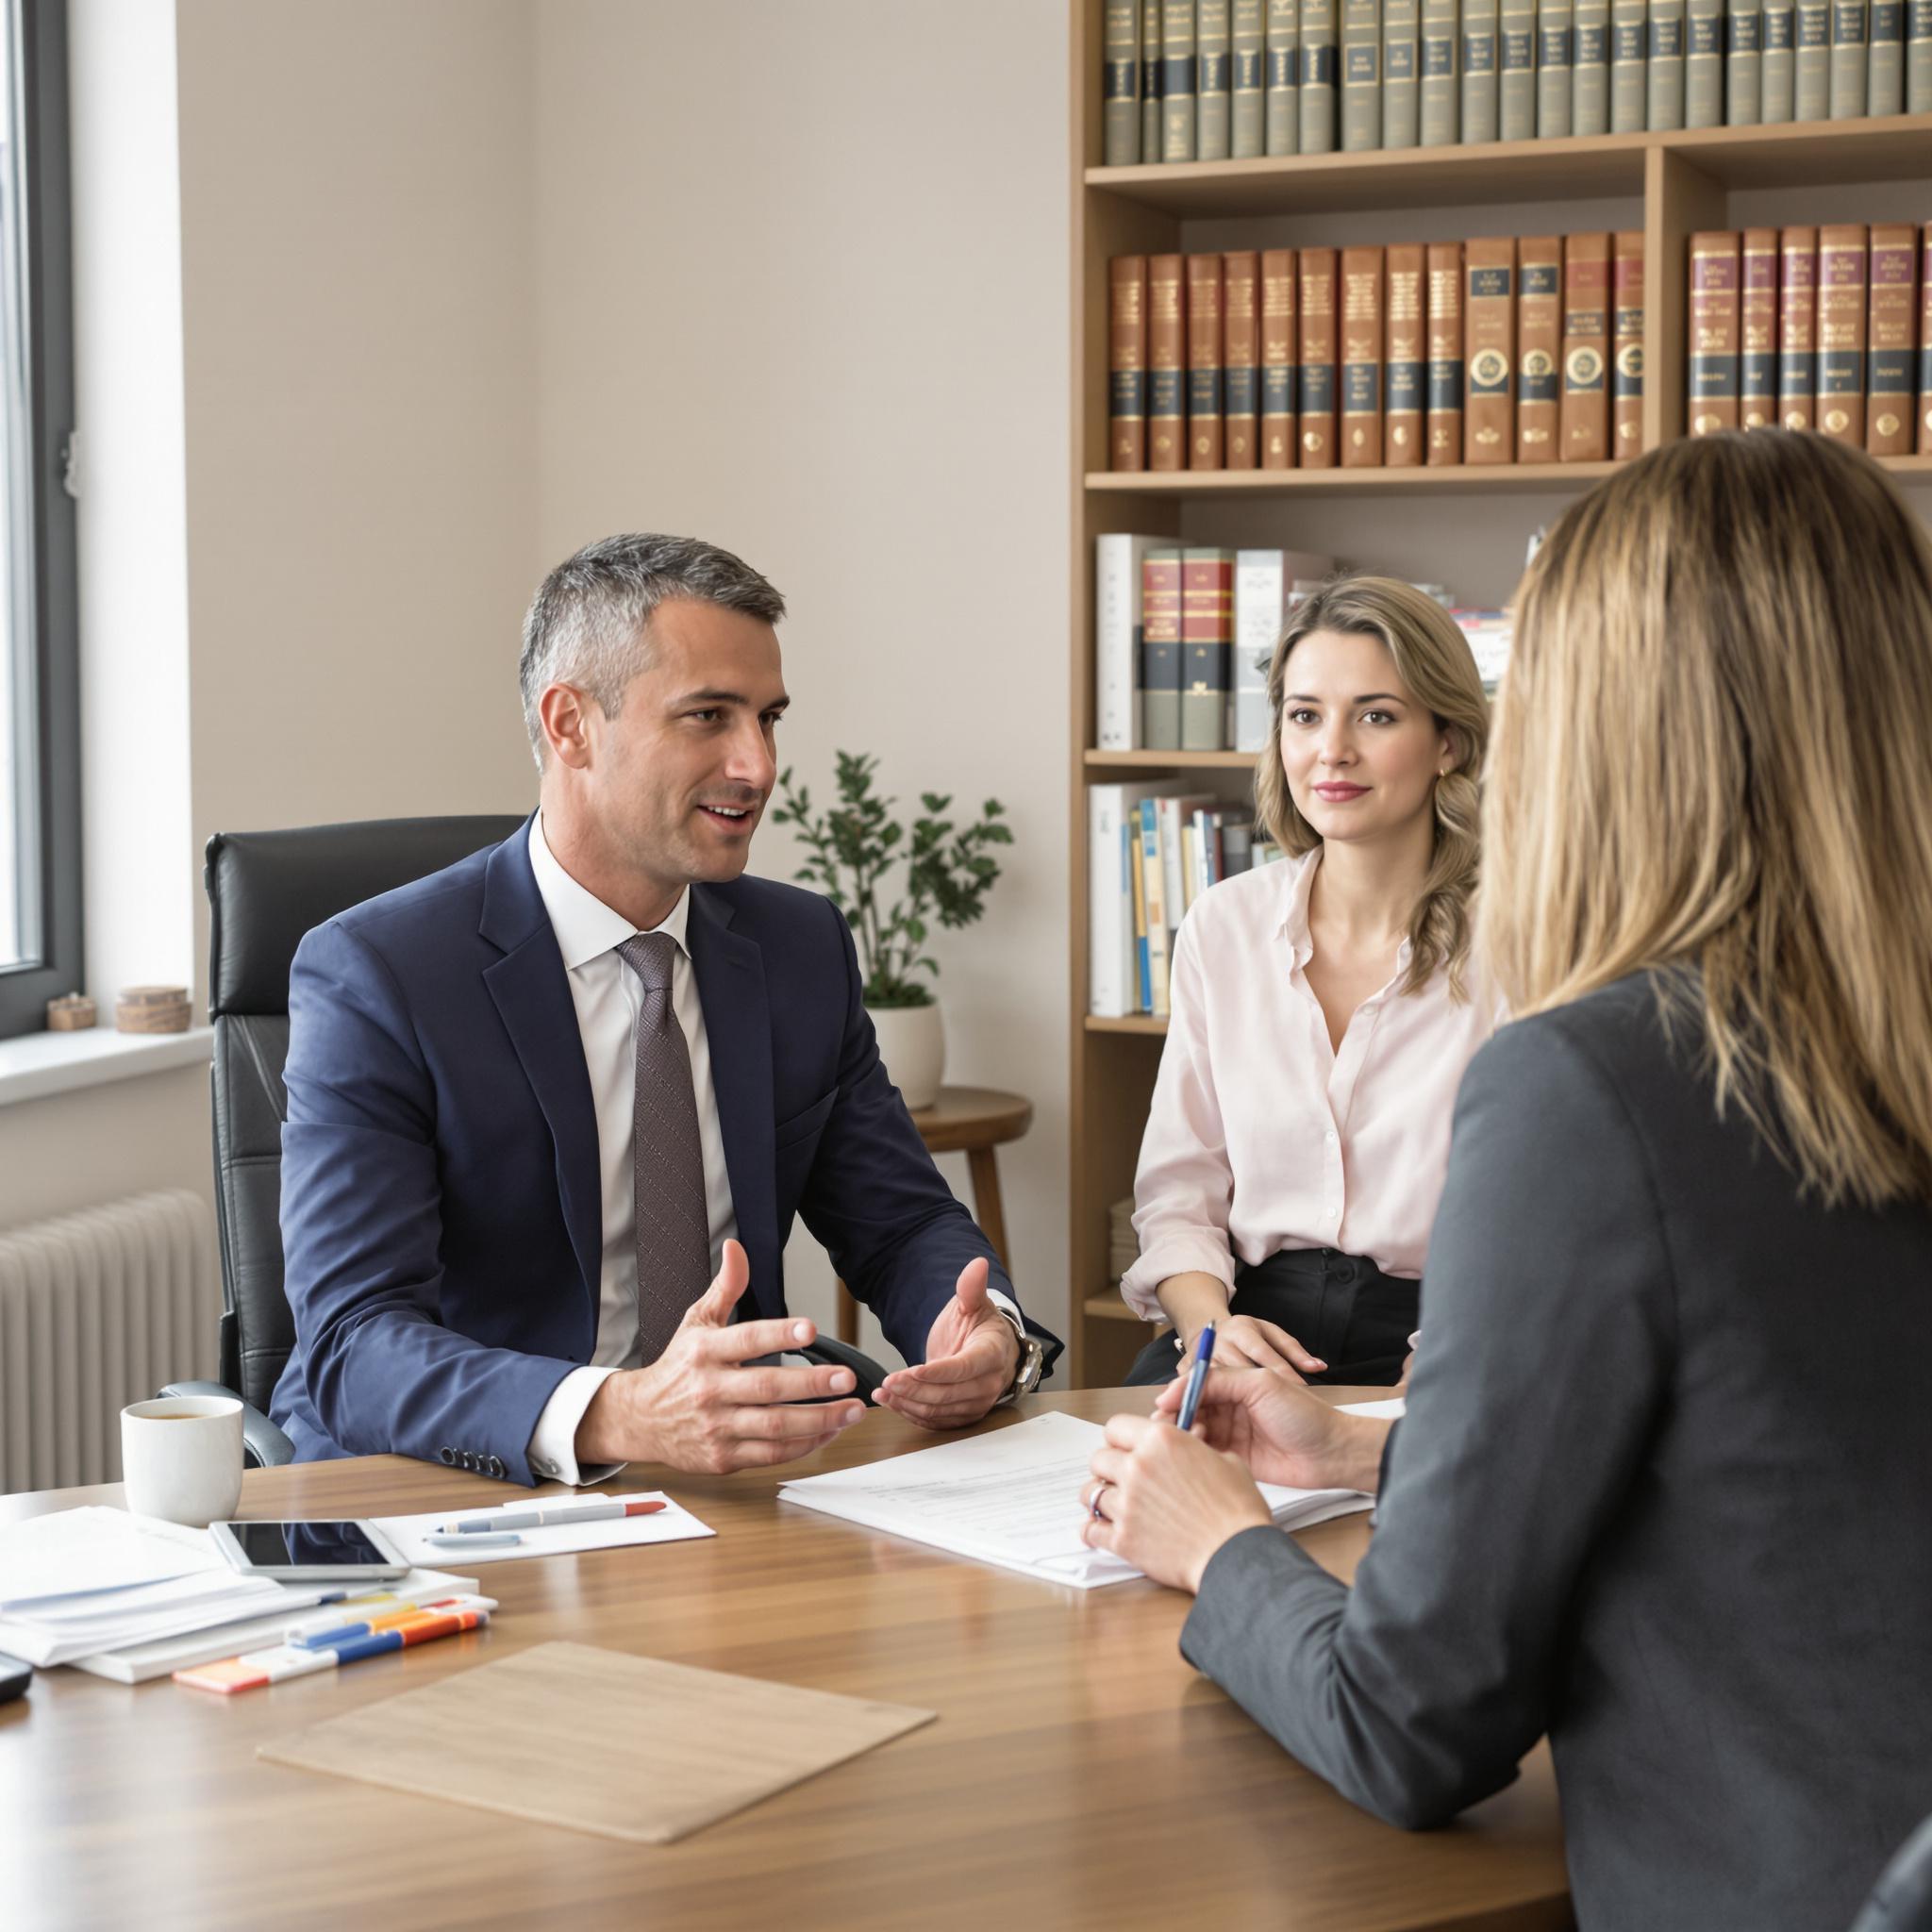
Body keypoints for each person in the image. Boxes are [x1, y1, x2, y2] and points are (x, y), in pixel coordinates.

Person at [1080, 432, 1932, 1930]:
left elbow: (1411, 1724)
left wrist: (1217, 1545)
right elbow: (1773, 1476)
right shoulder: (1862, 1047)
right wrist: (1354, 1462)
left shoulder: (1595, 1082)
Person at [273, 533, 1058, 1486]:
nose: (758, 764)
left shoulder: (797, 947)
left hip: (732, 1475)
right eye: (708, 717)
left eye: (767, 718)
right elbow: (354, 1343)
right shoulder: (380, 974)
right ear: (571, 725)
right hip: (464, 1484)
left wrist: (982, 1330)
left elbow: (897, 1225)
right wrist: (620, 1413)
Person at [1122, 575, 1494, 1385]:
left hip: (1444, 1330)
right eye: (1305, 715)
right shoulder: (1224, 926)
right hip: (1246, 1319)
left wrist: (1448, 1377)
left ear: (1449, 743)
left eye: (1376, 715)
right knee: (1118, 1485)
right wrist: (1211, 1330)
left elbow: (1540, 1219)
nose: (1333, 750)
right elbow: (1180, 1190)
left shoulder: (1520, 945)